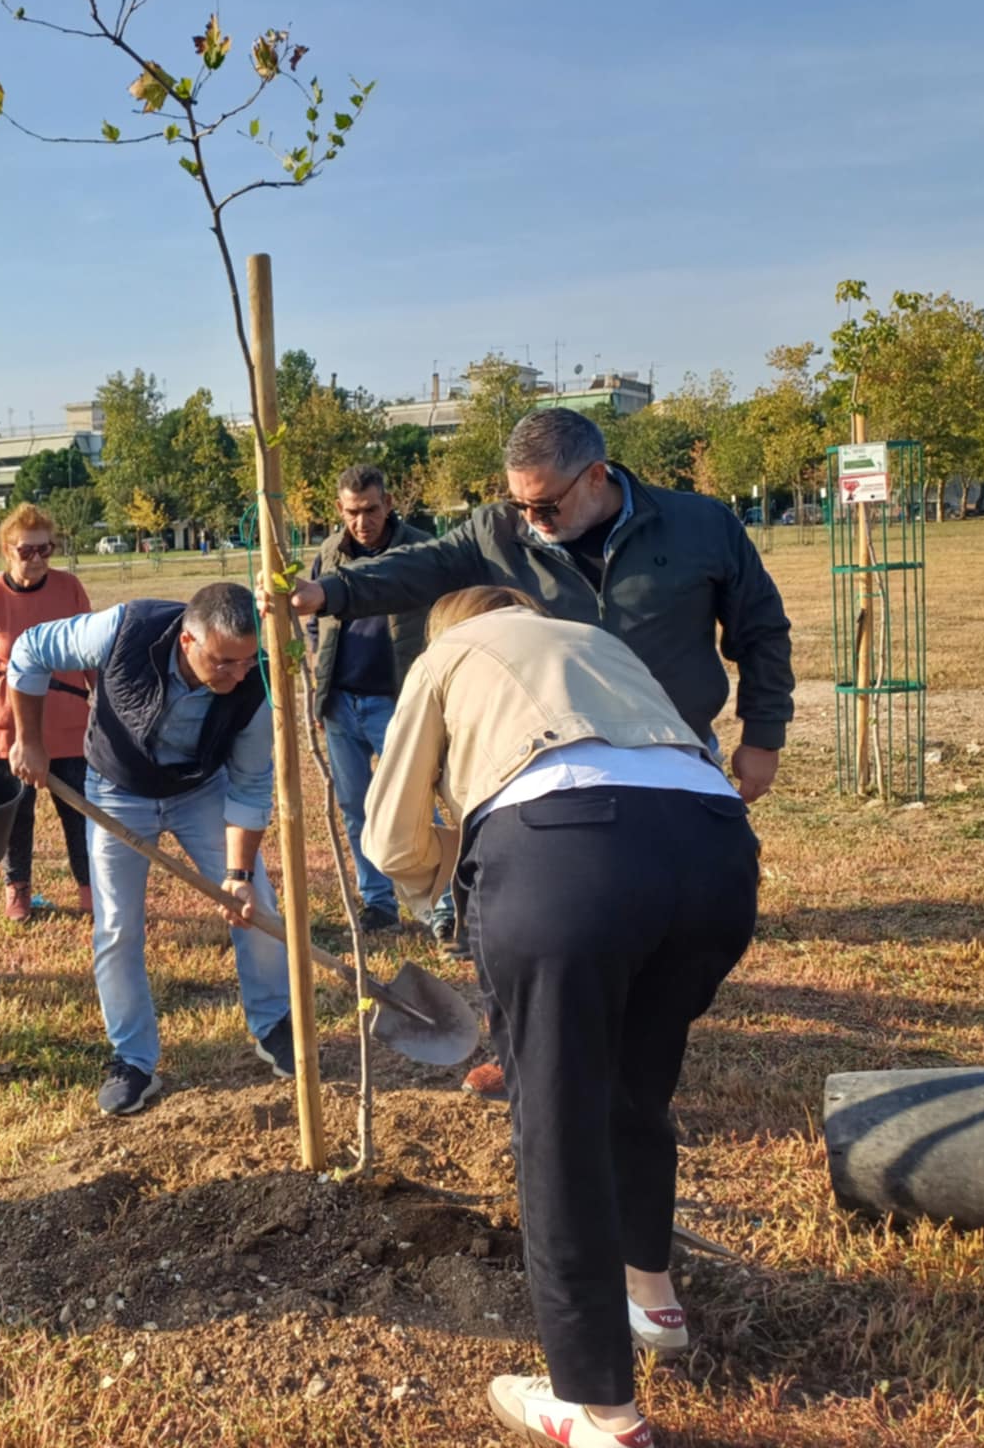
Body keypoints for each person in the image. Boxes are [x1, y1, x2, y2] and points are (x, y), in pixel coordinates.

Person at [273, 406, 792, 1099]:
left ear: (598, 476)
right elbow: (420, 567)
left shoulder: (701, 526)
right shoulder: (502, 529)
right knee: (524, 911)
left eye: (544, 505)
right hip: (547, 763)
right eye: (520, 504)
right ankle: (518, 1048)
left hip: (668, 745)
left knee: (655, 910)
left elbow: (760, 628)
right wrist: (329, 593)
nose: (531, 519)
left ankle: (628, 1048)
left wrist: (763, 735)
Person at [364, 584, 759, 1448]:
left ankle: (598, 1409)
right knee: (632, 1091)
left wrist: (446, 904)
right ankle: (653, 1304)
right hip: (715, 852)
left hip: (567, 856)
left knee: (558, 1129)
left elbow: (391, 836)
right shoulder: (595, 642)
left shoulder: (447, 655)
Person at [7, 583, 292, 1116]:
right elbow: (29, 650)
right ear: (187, 640)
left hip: (201, 790)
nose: (238, 674)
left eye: (248, 661)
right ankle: (133, 1060)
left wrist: (237, 873)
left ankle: (274, 1025)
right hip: (118, 790)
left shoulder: (257, 686)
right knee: (117, 925)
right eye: (224, 662)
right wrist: (30, 739)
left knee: (259, 906)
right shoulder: (123, 630)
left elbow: (251, 787)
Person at [304, 462, 455, 945]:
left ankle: (439, 907)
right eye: (351, 512)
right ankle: (379, 904)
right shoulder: (328, 555)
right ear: (339, 509)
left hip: (398, 703)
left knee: (416, 807)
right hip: (340, 704)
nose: (361, 521)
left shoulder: (419, 553)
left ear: (389, 504)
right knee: (355, 809)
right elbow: (314, 624)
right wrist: (321, 691)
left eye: (370, 509)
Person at [0, 502, 94, 922]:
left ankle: (90, 890)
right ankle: (18, 890)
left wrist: (104, 704)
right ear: (6, 549)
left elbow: (90, 650)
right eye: (26, 550)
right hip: (7, 725)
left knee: (81, 812)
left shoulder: (69, 588)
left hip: (67, 719)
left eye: (45, 549)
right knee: (16, 815)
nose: (37, 559)